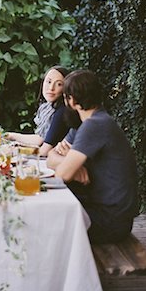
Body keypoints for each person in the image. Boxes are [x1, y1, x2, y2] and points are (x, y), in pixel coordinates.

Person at [52, 70, 138, 244]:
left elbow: (61, 175)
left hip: (110, 221)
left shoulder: (94, 125)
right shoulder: (90, 122)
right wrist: (72, 164)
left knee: (48, 223)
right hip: (105, 213)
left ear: (72, 100)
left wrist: (69, 166)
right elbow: (50, 157)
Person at [6, 65, 69, 156]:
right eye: (49, 82)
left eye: (59, 84)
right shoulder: (49, 108)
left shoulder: (62, 111)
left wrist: (17, 151)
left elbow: (43, 151)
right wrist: (11, 136)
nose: (51, 88)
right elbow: (41, 139)